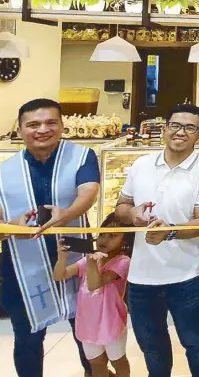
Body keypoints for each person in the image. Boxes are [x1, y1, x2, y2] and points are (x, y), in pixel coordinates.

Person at [115, 103, 199, 377]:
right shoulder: (141, 165)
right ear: (164, 129)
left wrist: (169, 232)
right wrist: (132, 214)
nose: (180, 132)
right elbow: (121, 207)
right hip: (141, 277)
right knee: (152, 346)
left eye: (189, 127)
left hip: (185, 275)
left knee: (194, 341)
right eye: (175, 125)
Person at [0, 98, 99, 377]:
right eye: (33, 124)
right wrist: (11, 225)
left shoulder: (82, 156)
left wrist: (67, 214)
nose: (42, 129)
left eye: (50, 122)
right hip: (21, 264)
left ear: (62, 126)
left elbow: (89, 191)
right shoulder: (5, 171)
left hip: (77, 255)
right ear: (20, 130)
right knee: (28, 338)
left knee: (88, 335)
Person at [53, 212, 134, 377]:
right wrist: (62, 258)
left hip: (111, 323)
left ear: (124, 241)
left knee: (118, 362)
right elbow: (59, 275)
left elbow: (94, 285)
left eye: (113, 236)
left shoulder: (122, 262)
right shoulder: (88, 260)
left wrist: (91, 262)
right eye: (103, 234)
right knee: (96, 366)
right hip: (88, 324)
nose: (105, 239)